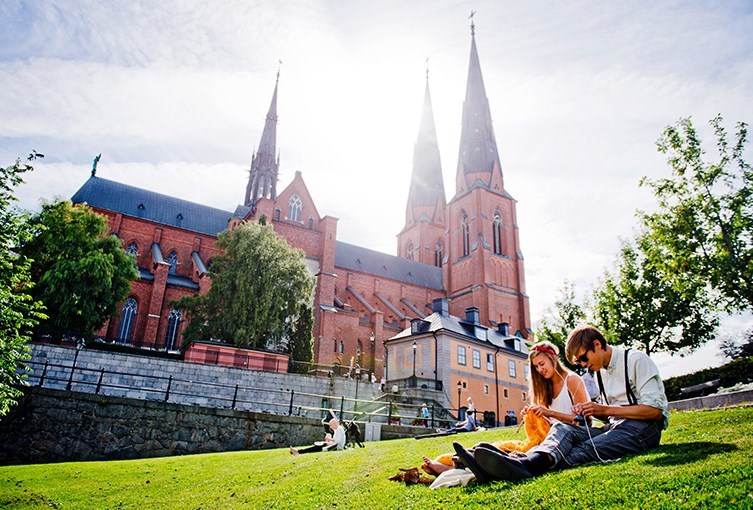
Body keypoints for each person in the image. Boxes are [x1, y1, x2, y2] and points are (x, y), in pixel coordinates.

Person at [453, 326, 668, 483]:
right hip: (614, 427)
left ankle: (516, 464)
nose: (583, 366)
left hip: (643, 430)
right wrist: (593, 410)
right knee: (561, 428)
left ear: (597, 344)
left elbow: (656, 412)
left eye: (583, 359)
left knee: (581, 450)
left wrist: (602, 409)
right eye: (579, 363)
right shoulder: (600, 372)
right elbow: (608, 415)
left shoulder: (636, 360)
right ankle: (517, 464)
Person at [421, 341, 589, 476]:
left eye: (541, 364)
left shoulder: (572, 380)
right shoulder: (546, 388)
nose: (539, 370)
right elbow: (548, 423)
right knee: (500, 446)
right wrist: (535, 415)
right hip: (549, 438)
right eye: (536, 367)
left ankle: (453, 469)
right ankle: (459, 460)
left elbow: (584, 422)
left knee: (512, 455)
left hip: (568, 438)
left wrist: (549, 412)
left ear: (553, 359)